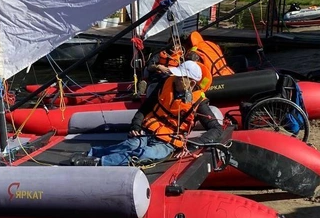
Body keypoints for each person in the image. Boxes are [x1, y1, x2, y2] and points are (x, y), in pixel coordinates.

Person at [70, 60, 221, 166]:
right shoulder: (166, 84)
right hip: (148, 129)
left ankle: (99, 163)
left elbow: (216, 128)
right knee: (130, 144)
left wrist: (192, 146)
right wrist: (135, 126)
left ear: (192, 83)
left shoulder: (199, 103)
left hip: (168, 141)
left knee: (145, 154)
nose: (175, 79)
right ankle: (93, 153)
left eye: (180, 78)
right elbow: (146, 107)